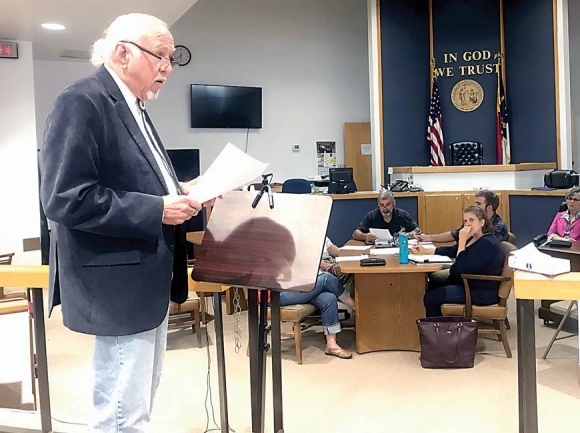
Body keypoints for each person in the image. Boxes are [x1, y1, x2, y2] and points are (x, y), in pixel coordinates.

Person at [40, 14, 212, 432]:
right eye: (161, 58)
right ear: (122, 53)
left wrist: (186, 190)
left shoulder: (133, 105)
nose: (167, 69)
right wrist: (157, 209)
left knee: (137, 404)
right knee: (121, 413)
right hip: (117, 284)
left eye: (172, 60)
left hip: (144, 281)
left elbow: (140, 180)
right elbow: (65, 198)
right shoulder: (83, 100)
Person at [411, 206, 504, 317]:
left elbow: (458, 271)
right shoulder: (474, 237)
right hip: (467, 283)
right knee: (431, 285)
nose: (468, 224)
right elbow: (452, 250)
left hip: (479, 291)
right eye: (465, 221)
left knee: (431, 298)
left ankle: (439, 331)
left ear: (482, 222)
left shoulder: (487, 243)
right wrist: (427, 251)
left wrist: (462, 241)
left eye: (472, 220)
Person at [279, 270, 356, 359]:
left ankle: (331, 346)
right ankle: (356, 307)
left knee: (329, 299)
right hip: (277, 293)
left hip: (295, 285)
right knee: (326, 278)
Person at [417, 190, 509, 243]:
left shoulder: (498, 227)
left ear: (489, 208)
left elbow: (481, 248)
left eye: (478, 203)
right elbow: (455, 234)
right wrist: (428, 238)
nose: (474, 206)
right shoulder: (473, 221)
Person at [352, 190, 419, 243]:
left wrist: (407, 235)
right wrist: (365, 236)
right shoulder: (372, 216)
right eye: (381, 205)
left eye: (388, 204)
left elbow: (417, 231)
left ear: (394, 203)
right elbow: (355, 234)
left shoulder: (402, 215)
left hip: (398, 248)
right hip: (376, 250)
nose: (385, 208)